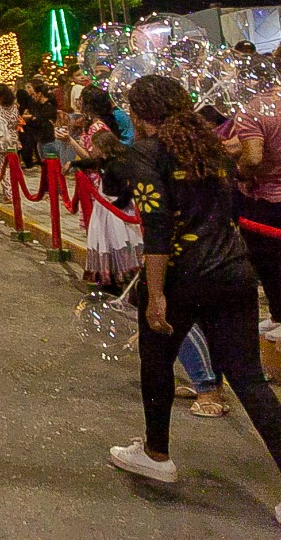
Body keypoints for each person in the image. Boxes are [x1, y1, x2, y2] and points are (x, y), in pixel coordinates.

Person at [105, 75, 281, 519]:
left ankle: (157, 454)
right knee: (250, 381)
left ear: (142, 113)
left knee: (157, 360)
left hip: (183, 275)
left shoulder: (145, 153)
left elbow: (157, 227)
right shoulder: (210, 147)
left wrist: (157, 293)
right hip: (234, 270)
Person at [62, 87, 140, 288]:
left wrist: (70, 142)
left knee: (110, 231)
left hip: (103, 184)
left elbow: (93, 157)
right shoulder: (93, 125)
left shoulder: (98, 128)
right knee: (101, 229)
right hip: (96, 182)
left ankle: (115, 274)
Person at [231, 106, 281, 341]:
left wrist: (240, 174)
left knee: (270, 263)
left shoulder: (253, 110)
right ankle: (277, 315)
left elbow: (252, 157)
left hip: (267, 200)